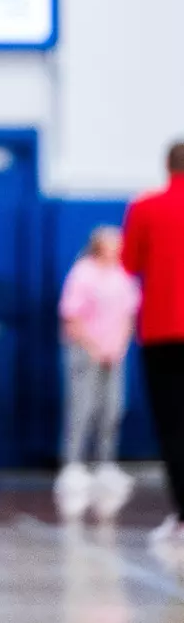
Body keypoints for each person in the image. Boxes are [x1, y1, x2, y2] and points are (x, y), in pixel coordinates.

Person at [121, 140, 184, 548]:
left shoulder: (145, 207)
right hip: (160, 332)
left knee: (174, 427)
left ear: (167, 165)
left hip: (162, 333)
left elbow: (129, 264)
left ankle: (182, 517)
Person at [54, 226, 140, 521]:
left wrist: (118, 346)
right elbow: (70, 314)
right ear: (97, 245)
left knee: (113, 407)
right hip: (85, 350)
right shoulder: (83, 273)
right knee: (82, 407)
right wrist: (92, 346)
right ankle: (73, 465)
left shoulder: (123, 274)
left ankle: (105, 463)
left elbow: (129, 313)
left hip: (114, 353)